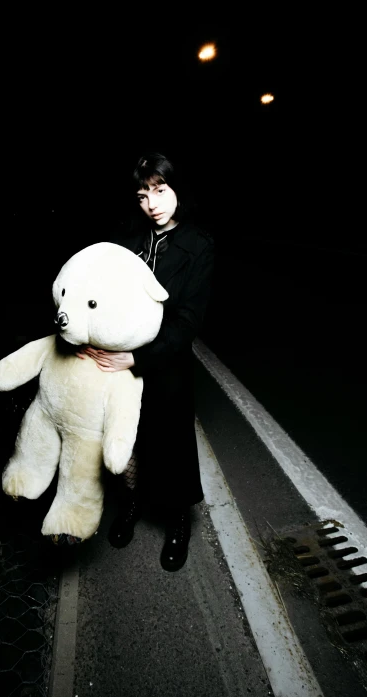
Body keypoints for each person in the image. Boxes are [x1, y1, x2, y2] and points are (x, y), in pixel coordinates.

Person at [76, 151, 214, 571]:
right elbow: (98, 293)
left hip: (165, 364)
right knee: (125, 441)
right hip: (116, 363)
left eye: (160, 190)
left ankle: (177, 522)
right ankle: (133, 504)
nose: (152, 203)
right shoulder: (127, 240)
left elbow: (187, 322)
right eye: (142, 195)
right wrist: (89, 335)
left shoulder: (198, 245)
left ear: (177, 190)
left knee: (170, 442)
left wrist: (133, 358)